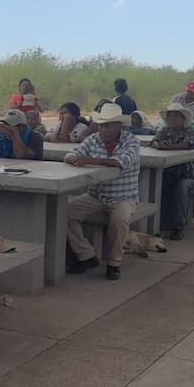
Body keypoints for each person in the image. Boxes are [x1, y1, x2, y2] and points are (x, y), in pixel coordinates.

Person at [63, 104, 141, 280]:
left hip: (123, 197)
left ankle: (114, 263)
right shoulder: (93, 139)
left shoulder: (131, 141)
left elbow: (121, 161)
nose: (103, 130)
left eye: (108, 126)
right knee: (64, 212)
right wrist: (74, 159)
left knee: (119, 220)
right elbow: (71, 154)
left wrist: (90, 160)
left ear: (119, 126)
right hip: (95, 195)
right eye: (101, 125)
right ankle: (87, 255)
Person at [151, 104, 194, 241]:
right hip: (165, 173)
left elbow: (188, 144)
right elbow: (154, 141)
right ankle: (154, 225)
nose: (173, 119)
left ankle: (178, 228)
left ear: (183, 119)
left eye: (176, 116)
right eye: (170, 116)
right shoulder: (164, 130)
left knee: (181, 189)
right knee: (153, 186)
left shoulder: (189, 130)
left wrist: (167, 147)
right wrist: (158, 145)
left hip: (184, 174)